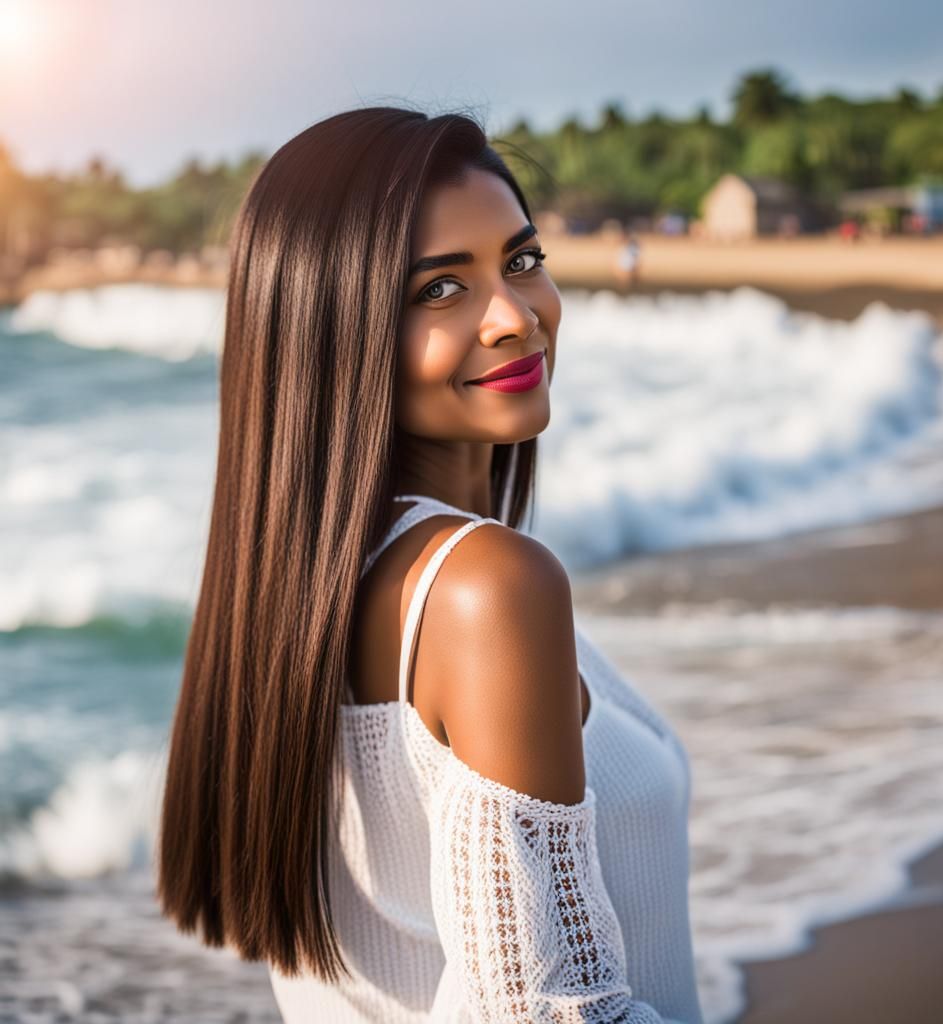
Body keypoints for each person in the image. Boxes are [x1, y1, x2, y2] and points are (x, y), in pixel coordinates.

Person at [157, 106, 704, 1022]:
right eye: (441, 288)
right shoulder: (485, 588)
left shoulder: (298, 595)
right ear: (334, 331)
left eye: (522, 262)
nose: (516, 317)